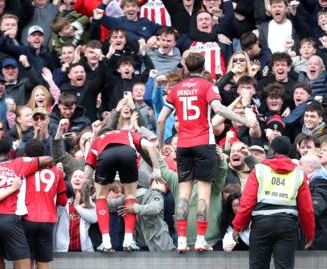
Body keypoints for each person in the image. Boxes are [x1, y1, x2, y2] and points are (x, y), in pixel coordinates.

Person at [156, 52, 257, 252]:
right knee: (204, 193)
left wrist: (161, 145)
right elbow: (218, 109)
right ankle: (201, 239)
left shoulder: (176, 89)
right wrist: (245, 120)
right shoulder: (207, 85)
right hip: (204, 143)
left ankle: (182, 240)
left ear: (185, 68)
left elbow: (160, 120)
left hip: (183, 145)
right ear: (203, 68)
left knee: (183, 194)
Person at [232, 136, 315, 269]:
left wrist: (237, 226)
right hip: (287, 226)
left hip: (261, 225)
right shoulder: (299, 174)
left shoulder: (259, 170)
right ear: (288, 152)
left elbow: (247, 203)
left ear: (272, 151)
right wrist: (309, 234)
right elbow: (307, 209)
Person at [0, 139, 53, 269]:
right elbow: (47, 158)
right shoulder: (18, 163)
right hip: (10, 219)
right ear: (9, 153)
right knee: (23, 263)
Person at [84, 127, 162, 252]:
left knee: (101, 197)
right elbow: (151, 147)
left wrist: (85, 189)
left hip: (105, 156)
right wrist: (157, 170)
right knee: (130, 196)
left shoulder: (98, 140)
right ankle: (128, 241)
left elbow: (87, 171)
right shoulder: (128, 132)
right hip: (128, 154)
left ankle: (106, 242)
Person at [23, 139, 68, 268]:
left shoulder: (23, 170)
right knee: (43, 260)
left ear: (26, 155)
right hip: (47, 220)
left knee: (26, 260)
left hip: (27, 218)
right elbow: (63, 201)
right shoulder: (56, 172)